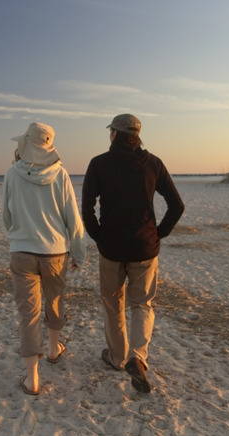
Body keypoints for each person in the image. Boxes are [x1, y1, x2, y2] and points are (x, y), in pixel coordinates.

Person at [81, 114, 184, 394]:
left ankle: (117, 358)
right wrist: (158, 233)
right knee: (142, 305)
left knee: (113, 304)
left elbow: (87, 208)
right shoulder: (153, 163)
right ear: (137, 135)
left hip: (112, 248)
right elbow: (176, 205)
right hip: (144, 248)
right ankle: (138, 357)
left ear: (114, 133)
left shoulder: (99, 163)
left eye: (111, 131)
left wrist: (98, 236)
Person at [2, 122, 86, 396]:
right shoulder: (60, 174)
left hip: (22, 252)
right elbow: (73, 218)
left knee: (28, 314)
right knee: (55, 299)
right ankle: (53, 349)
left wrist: (20, 234)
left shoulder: (12, 175)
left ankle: (32, 378)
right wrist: (78, 253)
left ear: (26, 144)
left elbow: (7, 216)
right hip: (55, 252)